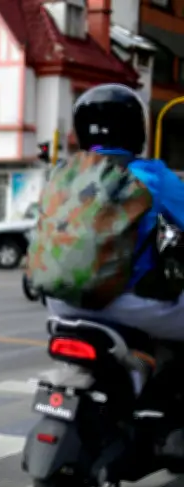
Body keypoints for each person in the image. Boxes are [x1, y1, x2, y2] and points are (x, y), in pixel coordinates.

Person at [44, 84, 184, 343]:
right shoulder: (154, 177)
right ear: (137, 128)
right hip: (126, 306)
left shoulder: (62, 175)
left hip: (60, 303)